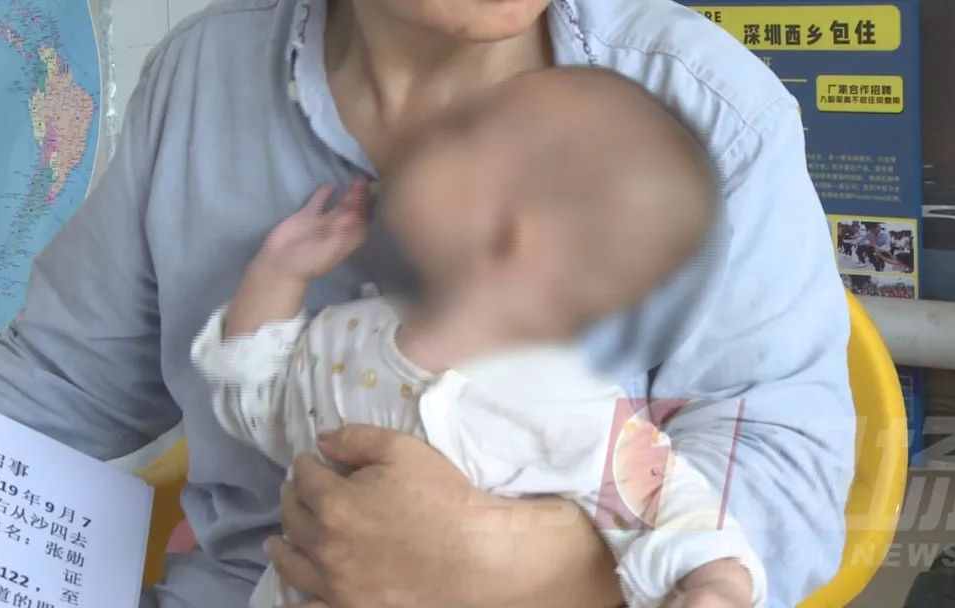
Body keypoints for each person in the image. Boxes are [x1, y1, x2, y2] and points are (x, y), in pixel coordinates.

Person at [0, 0, 854, 606]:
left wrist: (531, 569)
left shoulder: (709, 109)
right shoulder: (201, 76)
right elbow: (59, 387)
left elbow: (780, 460)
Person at [191, 66, 766, 608]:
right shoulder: (347, 337)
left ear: (512, 236)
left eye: (462, 134)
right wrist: (278, 274)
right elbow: (260, 406)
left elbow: (675, 509)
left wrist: (717, 586)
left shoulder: (571, 408)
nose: (425, 132)